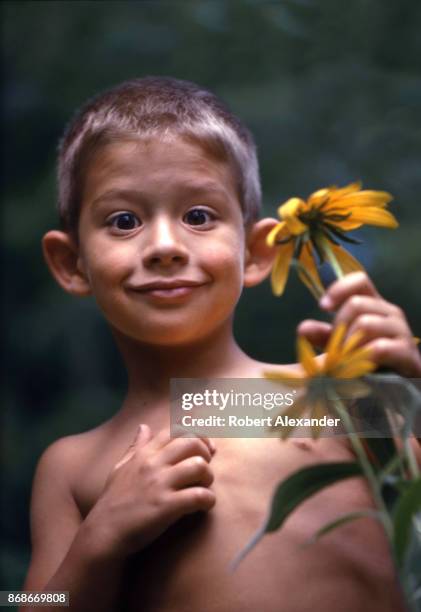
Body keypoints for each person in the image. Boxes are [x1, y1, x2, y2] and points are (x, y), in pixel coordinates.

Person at [21, 77, 421, 612]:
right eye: (124, 221)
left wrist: (409, 390)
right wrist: (101, 538)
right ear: (72, 264)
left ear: (256, 253)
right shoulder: (74, 466)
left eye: (198, 216)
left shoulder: (322, 395)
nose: (164, 246)